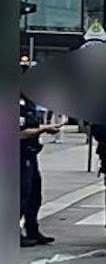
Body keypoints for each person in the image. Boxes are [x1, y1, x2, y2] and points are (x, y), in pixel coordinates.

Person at [19, 93, 59, 248]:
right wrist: (42, 130)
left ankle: (32, 228)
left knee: (34, 193)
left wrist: (43, 129)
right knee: (21, 193)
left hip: (29, 152)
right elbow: (19, 132)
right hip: (18, 153)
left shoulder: (28, 101)